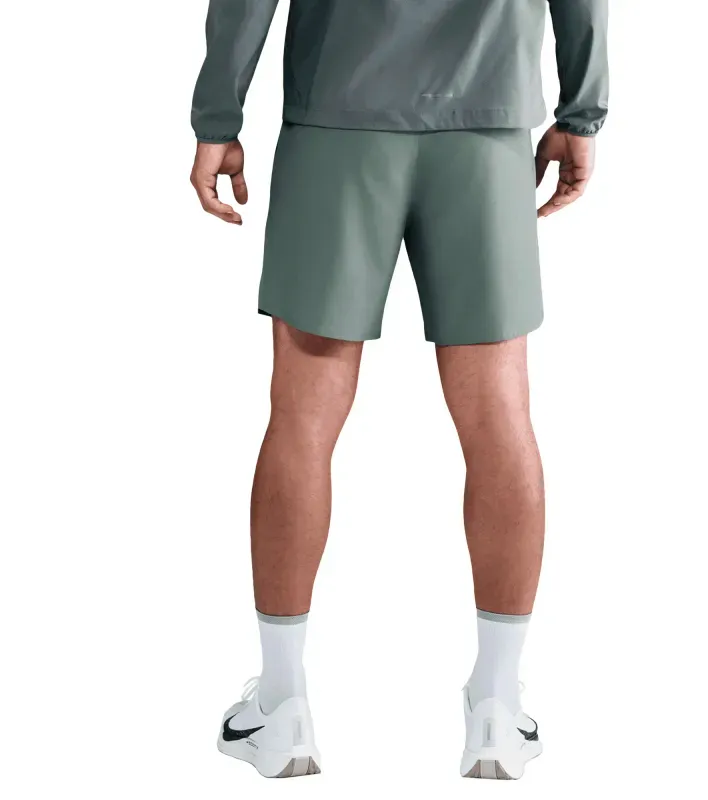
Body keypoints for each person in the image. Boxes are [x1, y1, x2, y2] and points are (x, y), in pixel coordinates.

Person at [190, 0, 608, 781]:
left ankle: (281, 705)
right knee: (500, 417)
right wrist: (581, 111)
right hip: (486, 124)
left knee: (303, 418)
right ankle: (496, 705)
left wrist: (218, 113)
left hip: (338, 116)